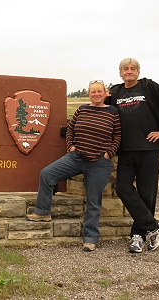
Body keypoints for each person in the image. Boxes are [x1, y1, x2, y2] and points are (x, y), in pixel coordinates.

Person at [27, 80, 121, 251]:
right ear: (89, 94)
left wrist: (109, 153)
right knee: (47, 174)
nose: (96, 94)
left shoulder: (112, 112)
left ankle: (90, 238)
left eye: (99, 91)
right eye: (93, 92)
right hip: (76, 157)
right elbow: (70, 130)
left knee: (93, 201)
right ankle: (42, 212)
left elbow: (117, 136)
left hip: (99, 162)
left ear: (106, 93)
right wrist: (71, 146)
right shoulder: (82, 109)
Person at [106, 58, 159, 253]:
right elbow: (99, 108)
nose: (129, 71)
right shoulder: (115, 92)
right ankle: (155, 227)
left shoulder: (149, 87)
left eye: (133, 69)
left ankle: (138, 237)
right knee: (123, 188)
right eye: (126, 68)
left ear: (138, 72)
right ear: (120, 73)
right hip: (126, 150)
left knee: (147, 194)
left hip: (149, 150)